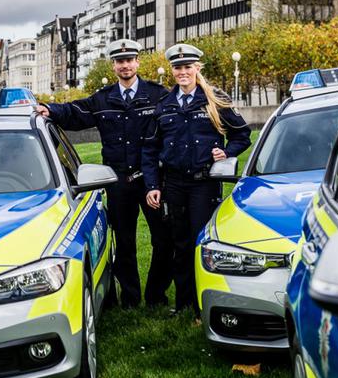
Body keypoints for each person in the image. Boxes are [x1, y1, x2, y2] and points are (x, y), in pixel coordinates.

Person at [36, 39, 173, 309]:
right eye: (120, 61)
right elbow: (75, 113)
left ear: (137, 62)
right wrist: (50, 109)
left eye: (129, 60)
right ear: (113, 66)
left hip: (151, 179)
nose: (125, 65)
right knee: (123, 241)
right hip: (118, 180)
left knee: (163, 239)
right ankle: (130, 299)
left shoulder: (158, 95)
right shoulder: (102, 99)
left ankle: (157, 296)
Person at [142, 43, 251, 315]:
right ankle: (184, 303)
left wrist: (226, 152)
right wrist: (153, 186)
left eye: (187, 67)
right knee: (179, 243)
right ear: (172, 71)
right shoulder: (164, 106)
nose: (183, 72)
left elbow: (242, 135)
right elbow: (150, 149)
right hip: (174, 184)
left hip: (203, 183)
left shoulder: (215, 99)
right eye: (178, 67)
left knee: (201, 242)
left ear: (197, 68)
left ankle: (205, 302)